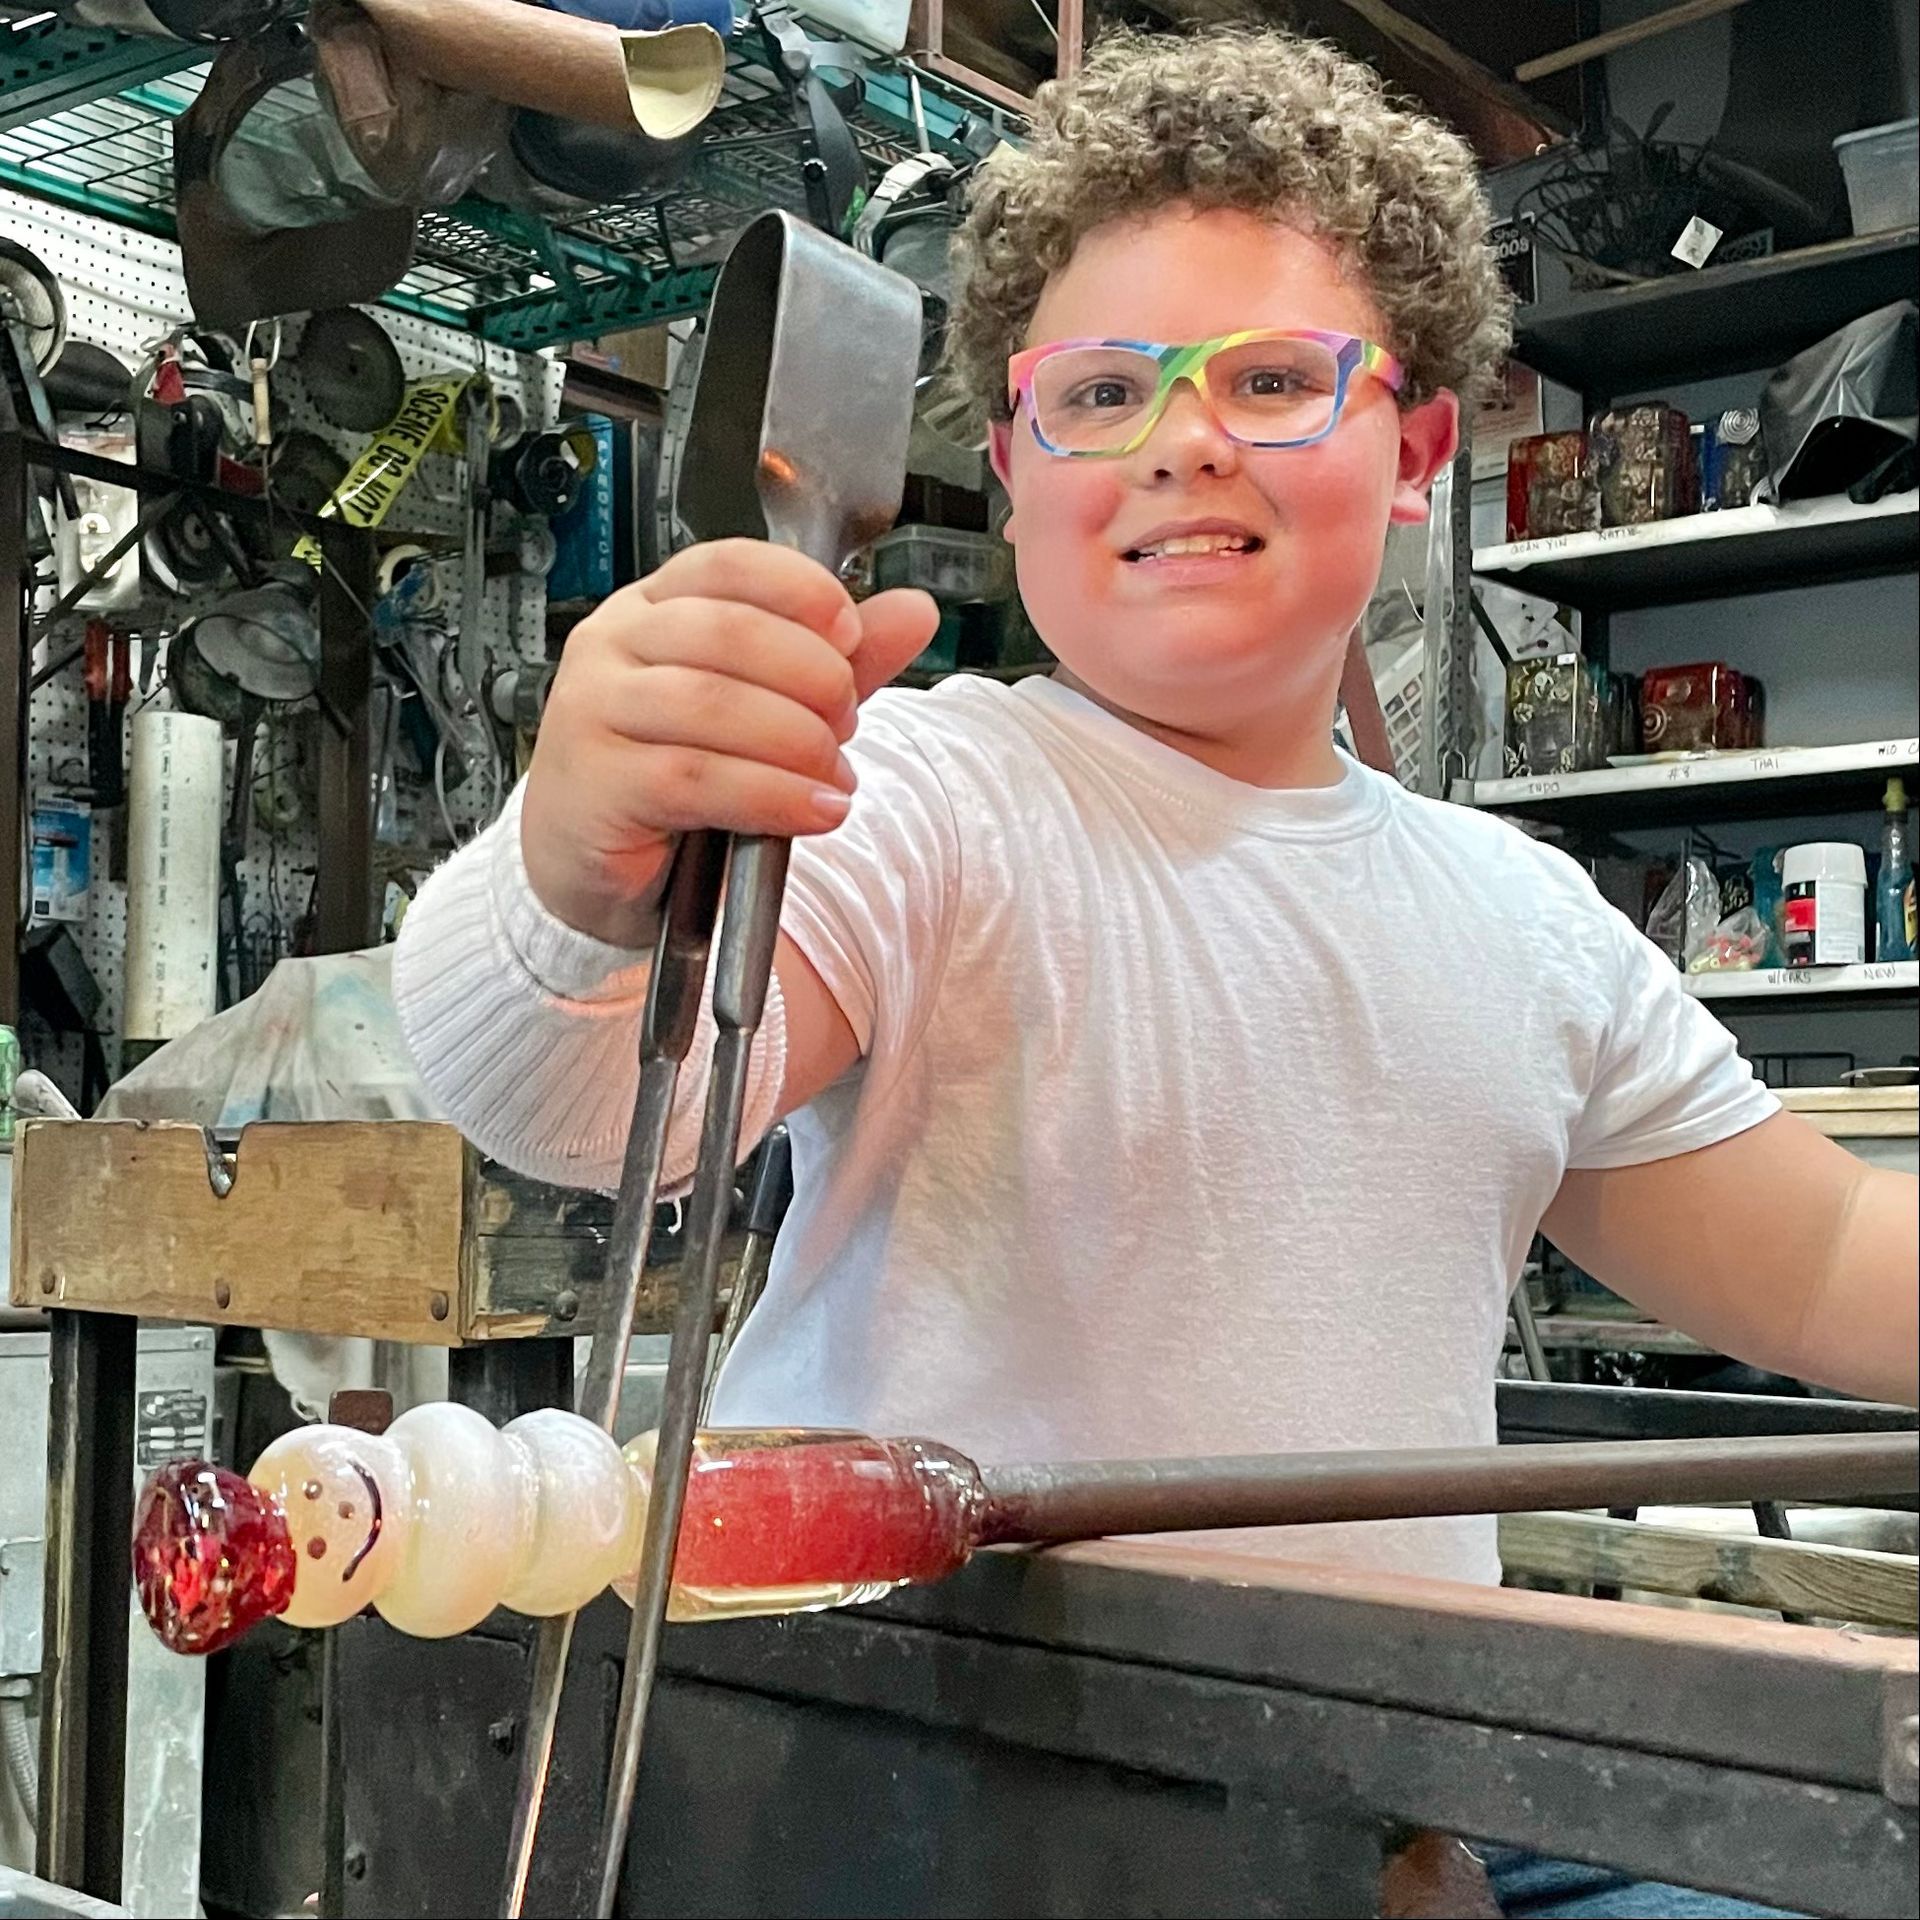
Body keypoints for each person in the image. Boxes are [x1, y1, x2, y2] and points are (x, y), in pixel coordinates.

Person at [394, 27, 1918, 1916]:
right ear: (1013, 472)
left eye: (1277, 380)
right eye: (1102, 391)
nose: (1187, 437)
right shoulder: (931, 792)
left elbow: (1832, 1261)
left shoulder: (1523, 923)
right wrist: (576, 861)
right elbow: (588, 1099)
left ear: (1422, 445)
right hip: (949, 1780)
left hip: (1407, 1786)